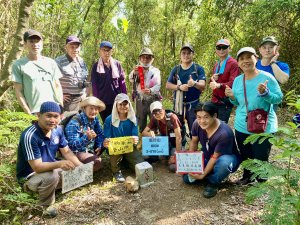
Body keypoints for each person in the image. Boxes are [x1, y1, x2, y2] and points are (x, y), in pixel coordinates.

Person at [225, 47, 283, 185]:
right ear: (238, 63)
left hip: (263, 125)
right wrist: (232, 97)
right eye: (242, 58)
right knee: (246, 154)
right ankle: (247, 177)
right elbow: (237, 102)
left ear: (255, 59)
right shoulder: (238, 80)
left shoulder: (267, 77)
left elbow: (279, 98)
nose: (246, 61)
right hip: (242, 124)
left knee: (261, 156)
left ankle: (261, 182)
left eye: (249, 57)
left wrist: (266, 93)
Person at [16, 101, 82, 217]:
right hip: (31, 175)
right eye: (48, 115)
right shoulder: (30, 135)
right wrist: (60, 164)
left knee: (76, 168)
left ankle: (49, 189)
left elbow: (67, 152)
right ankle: (43, 206)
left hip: (50, 169)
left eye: (56, 116)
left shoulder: (57, 130)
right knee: (52, 175)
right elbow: (37, 167)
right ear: (39, 115)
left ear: (60, 117)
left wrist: (81, 168)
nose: (52, 120)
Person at [182, 102, 240, 198]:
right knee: (186, 179)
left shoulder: (224, 133)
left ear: (214, 115)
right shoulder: (197, 124)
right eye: (199, 117)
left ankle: (213, 182)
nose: (202, 121)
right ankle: (210, 174)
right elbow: (194, 141)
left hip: (224, 158)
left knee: (224, 163)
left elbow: (215, 157)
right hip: (208, 155)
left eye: (206, 117)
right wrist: (190, 164)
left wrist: (202, 174)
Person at [11, 29, 63, 114]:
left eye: (37, 41)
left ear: (42, 43)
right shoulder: (18, 64)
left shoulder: (51, 62)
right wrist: (28, 113)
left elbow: (57, 86)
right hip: (35, 112)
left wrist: (61, 106)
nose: (35, 44)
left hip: (54, 109)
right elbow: (18, 91)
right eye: (31, 41)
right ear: (25, 44)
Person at [103, 93, 143, 182]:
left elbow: (135, 134)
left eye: (125, 104)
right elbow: (107, 136)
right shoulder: (109, 120)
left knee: (140, 165)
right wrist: (106, 142)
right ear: (116, 106)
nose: (123, 106)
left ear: (129, 105)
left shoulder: (133, 119)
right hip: (115, 148)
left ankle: (126, 161)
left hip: (129, 147)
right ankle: (116, 171)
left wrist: (135, 139)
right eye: (120, 104)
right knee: (115, 157)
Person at [166, 44, 206, 133]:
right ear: (180, 55)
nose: (186, 55)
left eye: (189, 53)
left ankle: (194, 145)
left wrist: (194, 83)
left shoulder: (198, 68)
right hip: (178, 105)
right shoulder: (176, 69)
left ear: (193, 54)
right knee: (178, 130)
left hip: (193, 105)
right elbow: (168, 85)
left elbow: (203, 86)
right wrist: (179, 87)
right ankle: (181, 145)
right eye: (183, 53)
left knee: (195, 130)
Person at [64, 96, 106, 172]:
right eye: (91, 108)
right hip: (77, 152)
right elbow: (72, 146)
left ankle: (89, 162)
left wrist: (99, 145)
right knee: (97, 162)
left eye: (96, 109)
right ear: (84, 108)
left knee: (107, 142)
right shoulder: (74, 123)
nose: (93, 111)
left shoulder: (95, 119)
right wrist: (87, 138)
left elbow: (100, 134)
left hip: (90, 149)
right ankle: (80, 170)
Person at [89, 41, 127, 123]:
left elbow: (122, 81)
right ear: (100, 51)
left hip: (117, 100)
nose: (106, 52)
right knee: (107, 122)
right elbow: (94, 85)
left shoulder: (117, 64)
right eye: (104, 50)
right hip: (103, 101)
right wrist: (97, 101)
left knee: (118, 122)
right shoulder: (96, 66)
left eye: (108, 50)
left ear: (111, 51)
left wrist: (125, 97)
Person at [142, 101, 182, 172]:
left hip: (174, 145)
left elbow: (179, 137)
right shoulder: (154, 119)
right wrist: (150, 134)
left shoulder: (172, 117)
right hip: (164, 143)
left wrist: (176, 155)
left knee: (173, 167)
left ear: (163, 109)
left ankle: (170, 155)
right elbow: (143, 132)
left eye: (159, 111)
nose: (157, 114)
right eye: (154, 112)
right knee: (147, 157)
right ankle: (162, 156)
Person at [129, 47, 161, 133]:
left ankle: (155, 141)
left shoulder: (156, 71)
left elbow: (158, 85)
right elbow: (131, 80)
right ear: (140, 58)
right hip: (140, 99)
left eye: (148, 57)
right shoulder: (136, 70)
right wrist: (135, 72)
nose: (145, 59)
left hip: (153, 98)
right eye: (143, 57)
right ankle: (141, 141)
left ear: (152, 59)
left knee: (155, 120)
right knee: (140, 121)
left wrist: (150, 90)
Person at [209, 39, 240, 123]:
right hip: (214, 100)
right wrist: (212, 78)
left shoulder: (234, 63)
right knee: (211, 126)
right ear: (216, 50)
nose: (221, 50)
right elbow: (212, 82)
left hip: (225, 102)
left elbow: (234, 82)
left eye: (224, 47)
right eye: (218, 48)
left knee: (221, 128)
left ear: (229, 48)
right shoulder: (216, 64)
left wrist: (219, 85)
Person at [55, 35, 89, 112]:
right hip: (68, 101)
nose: (75, 49)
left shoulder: (81, 61)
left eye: (77, 47)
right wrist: (59, 96)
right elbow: (52, 81)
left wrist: (85, 93)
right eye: (72, 47)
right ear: (66, 47)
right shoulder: (58, 61)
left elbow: (85, 79)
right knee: (68, 122)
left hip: (81, 99)